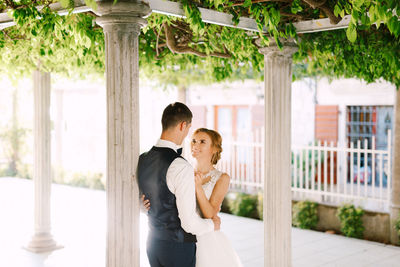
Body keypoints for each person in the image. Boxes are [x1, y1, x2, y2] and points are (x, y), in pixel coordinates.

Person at [143, 127, 243, 267]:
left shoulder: (222, 178)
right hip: (181, 238)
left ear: (214, 149)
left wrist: (197, 187)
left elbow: (210, 214)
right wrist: (145, 204)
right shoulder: (183, 170)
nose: (195, 145)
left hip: (206, 239)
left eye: (202, 142)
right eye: (194, 141)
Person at [138, 102, 220, 267]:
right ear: (183, 125)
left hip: (153, 243)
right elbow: (188, 222)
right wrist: (213, 224)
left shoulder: (143, 158)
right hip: (177, 248)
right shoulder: (180, 166)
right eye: (189, 128)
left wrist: (142, 206)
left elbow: (146, 202)